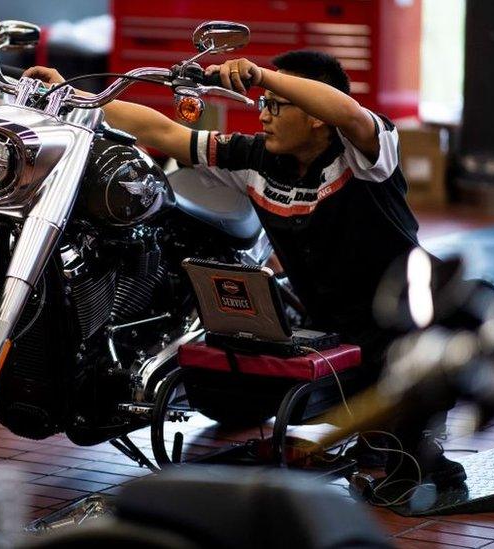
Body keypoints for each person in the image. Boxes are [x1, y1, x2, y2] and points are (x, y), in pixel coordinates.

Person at [23, 50, 466, 491]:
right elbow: (166, 132)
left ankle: (420, 450)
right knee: (222, 384)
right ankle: (373, 434)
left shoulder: (367, 154)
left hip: (404, 326)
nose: (264, 115)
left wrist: (262, 77)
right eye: (263, 104)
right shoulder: (255, 159)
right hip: (330, 330)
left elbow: (347, 112)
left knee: (415, 465)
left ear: (314, 115)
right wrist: (73, 95)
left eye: (275, 105)